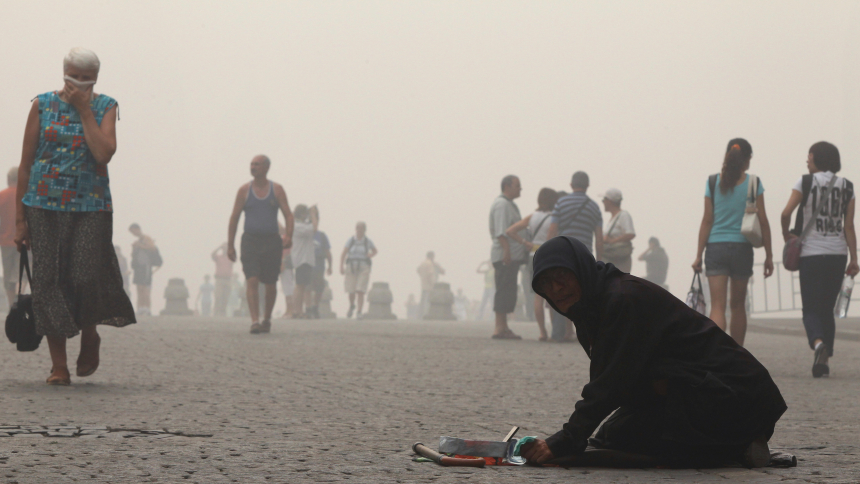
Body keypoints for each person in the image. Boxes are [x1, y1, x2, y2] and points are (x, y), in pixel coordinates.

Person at [520, 237, 786, 469]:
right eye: (545, 283)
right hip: (688, 389)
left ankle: (739, 441)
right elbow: (622, 380)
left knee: (645, 444)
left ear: (581, 269)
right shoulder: (590, 309)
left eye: (562, 277)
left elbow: (608, 384)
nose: (555, 289)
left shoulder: (621, 299)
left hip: (735, 397)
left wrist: (564, 440)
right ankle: (729, 440)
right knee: (612, 438)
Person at [14, 47, 135, 385]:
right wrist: (20, 219)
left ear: (95, 77)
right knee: (49, 283)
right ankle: (59, 366)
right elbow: (25, 163)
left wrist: (84, 112)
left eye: (86, 77)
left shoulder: (105, 107)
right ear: (64, 71)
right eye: (74, 75)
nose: (79, 82)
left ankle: (90, 334)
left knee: (84, 277)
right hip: (44, 205)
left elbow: (103, 152)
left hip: (90, 206)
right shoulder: (42, 104)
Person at [780, 141, 859, 378]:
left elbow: (785, 213)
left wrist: (788, 236)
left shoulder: (804, 182)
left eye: (809, 156)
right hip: (837, 255)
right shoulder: (848, 187)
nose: (807, 160)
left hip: (811, 255)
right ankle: (825, 360)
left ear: (816, 158)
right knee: (826, 308)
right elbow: (848, 226)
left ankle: (818, 345)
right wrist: (854, 259)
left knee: (810, 309)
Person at [692, 139, 774, 347]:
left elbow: (707, 220)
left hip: (716, 247)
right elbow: (763, 221)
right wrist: (769, 256)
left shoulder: (712, 182)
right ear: (747, 159)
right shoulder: (754, 183)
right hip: (742, 248)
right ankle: (738, 354)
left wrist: (698, 255)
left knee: (717, 306)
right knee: (737, 305)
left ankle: (717, 352)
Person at [227, 154, 294, 334]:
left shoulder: (277, 190)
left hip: (272, 241)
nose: (253, 167)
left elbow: (288, 214)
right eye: (251, 164)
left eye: (257, 164)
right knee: (252, 279)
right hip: (250, 241)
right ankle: (254, 320)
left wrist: (289, 235)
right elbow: (234, 217)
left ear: (266, 168)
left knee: (270, 283)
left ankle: (267, 318)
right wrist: (230, 245)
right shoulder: (244, 191)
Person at [505, 187, 559, 341]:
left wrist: (525, 242)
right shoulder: (554, 218)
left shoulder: (532, 216)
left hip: (532, 256)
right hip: (548, 256)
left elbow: (510, 231)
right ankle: (555, 329)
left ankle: (542, 332)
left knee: (538, 297)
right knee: (552, 297)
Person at [488, 175, 527, 339]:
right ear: (507, 186)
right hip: (505, 256)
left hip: (511, 255)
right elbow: (501, 232)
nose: (520, 189)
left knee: (509, 290)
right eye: (518, 186)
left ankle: (503, 326)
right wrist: (507, 251)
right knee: (503, 289)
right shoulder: (502, 205)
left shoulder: (510, 205)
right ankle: (499, 327)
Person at [547, 171, 603, 259]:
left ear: (571, 185)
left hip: (563, 254)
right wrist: (599, 262)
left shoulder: (561, 203)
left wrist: (548, 255)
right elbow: (599, 240)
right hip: (584, 255)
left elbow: (552, 231)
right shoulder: (594, 207)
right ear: (587, 185)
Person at [340, 222, 377, 319]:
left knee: (360, 290)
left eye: (361, 229)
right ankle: (352, 305)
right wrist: (341, 266)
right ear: (355, 229)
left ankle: (359, 311)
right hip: (351, 266)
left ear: (365, 230)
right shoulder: (351, 240)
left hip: (364, 266)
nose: (359, 231)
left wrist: (370, 255)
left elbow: (375, 251)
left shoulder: (367, 241)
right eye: (358, 228)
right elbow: (344, 253)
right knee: (351, 290)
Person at [290, 204, 318, 318]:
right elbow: (315, 228)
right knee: (299, 286)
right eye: (306, 213)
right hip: (302, 259)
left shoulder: (300, 225)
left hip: (304, 259)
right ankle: (297, 311)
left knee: (301, 286)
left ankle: (298, 311)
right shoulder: (297, 226)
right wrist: (313, 214)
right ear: (302, 214)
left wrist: (314, 215)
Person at [600, 188, 635, 273]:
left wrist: (612, 241)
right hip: (612, 257)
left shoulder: (623, 215)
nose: (603, 202)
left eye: (604, 199)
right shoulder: (613, 218)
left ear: (610, 201)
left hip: (620, 258)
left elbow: (630, 234)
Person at [129, 223, 160, 315]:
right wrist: (134, 247)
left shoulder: (147, 238)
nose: (133, 234)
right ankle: (140, 308)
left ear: (137, 229)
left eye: (133, 231)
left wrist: (140, 245)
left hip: (146, 266)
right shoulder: (138, 241)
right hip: (138, 267)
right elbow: (133, 254)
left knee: (145, 288)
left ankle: (147, 308)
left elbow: (152, 248)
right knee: (139, 288)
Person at [0, 167, 20, 307]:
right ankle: (21, 301)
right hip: (24, 241)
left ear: (8, 179)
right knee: (22, 273)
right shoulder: (26, 196)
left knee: (8, 276)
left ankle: (13, 307)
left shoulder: (2, 196)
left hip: (5, 242)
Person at [308, 207, 332, 319]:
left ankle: (315, 307)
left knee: (319, 288)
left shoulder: (322, 236)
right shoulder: (306, 233)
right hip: (307, 264)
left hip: (319, 265)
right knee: (307, 287)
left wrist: (330, 266)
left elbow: (327, 252)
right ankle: (307, 308)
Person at [417, 251, 445, 317]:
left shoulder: (422, 263)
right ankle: (427, 315)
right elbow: (430, 274)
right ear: (432, 256)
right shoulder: (430, 264)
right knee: (428, 301)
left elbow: (418, 270)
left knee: (423, 301)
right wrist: (433, 284)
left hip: (424, 284)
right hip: (431, 285)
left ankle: (421, 315)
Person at [211, 243, 234, 317]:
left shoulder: (230, 258)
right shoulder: (218, 257)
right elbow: (212, 254)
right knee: (218, 296)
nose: (225, 250)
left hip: (228, 280)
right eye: (224, 248)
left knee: (226, 297)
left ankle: (223, 312)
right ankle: (216, 312)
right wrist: (219, 247)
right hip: (219, 280)